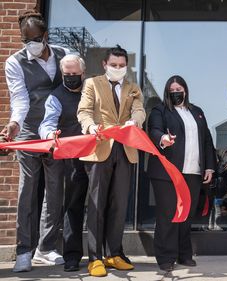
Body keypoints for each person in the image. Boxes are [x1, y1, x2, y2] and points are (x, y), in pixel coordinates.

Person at [3, 11, 69, 272]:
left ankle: (47, 247)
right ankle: (23, 250)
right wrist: (14, 123)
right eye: (25, 40)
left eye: (35, 39)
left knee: (54, 191)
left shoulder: (63, 54)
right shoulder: (14, 62)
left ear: (46, 37)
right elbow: (19, 99)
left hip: (55, 133)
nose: (30, 44)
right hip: (29, 132)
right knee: (27, 191)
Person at [77, 45, 145, 277]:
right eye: (113, 65)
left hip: (125, 149)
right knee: (97, 204)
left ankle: (114, 253)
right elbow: (83, 111)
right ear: (105, 65)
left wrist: (134, 122)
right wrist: (91, 126)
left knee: (119, 205)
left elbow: (139, 111)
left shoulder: (133, 87)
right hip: (100, 147)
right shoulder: (92, 83)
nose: (118, 69)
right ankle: (95, 258)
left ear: (126, 67)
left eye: (122, 66)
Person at [147, 75, 216, 272]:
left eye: (180, 88)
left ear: (185, 90)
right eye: (172, 89)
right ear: (168, 92)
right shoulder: (160, 110)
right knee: (168, 214)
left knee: (186, 214)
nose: (176, 92)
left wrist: (209, 167)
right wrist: (163, 139)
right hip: (167, 172)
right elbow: (154, 130)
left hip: (193, 172)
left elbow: (207, 141)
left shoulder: (197, 112)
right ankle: (165, 256)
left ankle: (183, 254)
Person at [38, 54, 89, 272]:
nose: (70, 78)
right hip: (68, 160)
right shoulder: (56, 96)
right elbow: (47, 122)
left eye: (74, 74)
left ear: (83, 73)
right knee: (69, 206)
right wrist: (50, 134)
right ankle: (70, 256)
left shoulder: (92, 91)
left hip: (95, 158)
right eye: (66, 75)